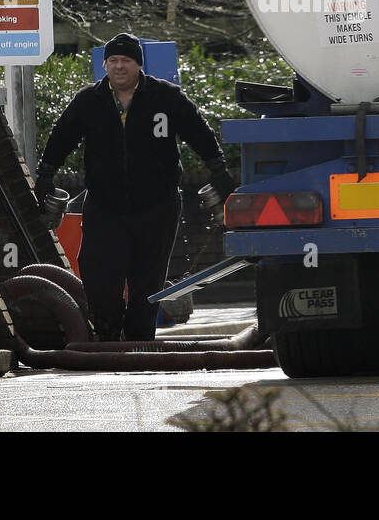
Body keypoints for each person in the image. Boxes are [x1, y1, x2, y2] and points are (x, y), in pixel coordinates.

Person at [32, 32, 236, 341]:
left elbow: (199, 132)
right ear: (105, 65)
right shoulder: (89, 100)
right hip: (105, 205)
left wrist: (218, 169)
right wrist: (46, 174)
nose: (119, 67)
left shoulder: (166, 97)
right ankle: (108, 334)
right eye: (113, 61)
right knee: (99, 274)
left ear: (138, 65)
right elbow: (62, 137)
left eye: (126, 61)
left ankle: (140, 342)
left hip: (157, 205)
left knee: (147, 281)